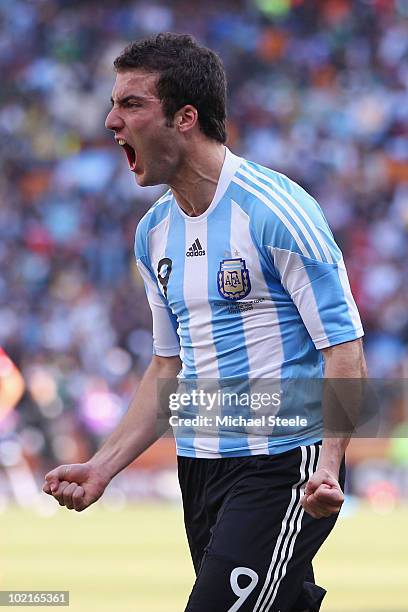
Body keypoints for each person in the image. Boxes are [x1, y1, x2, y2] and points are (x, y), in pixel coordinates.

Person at [43, 33, 367, 612]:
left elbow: (343, 348)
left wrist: (329, 463)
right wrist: (103, 467)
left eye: (132, 104)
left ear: (185, 117)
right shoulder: (154, 233)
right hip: (200, 465)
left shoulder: (276, 212)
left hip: (281, 466)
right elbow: (169, 366)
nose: (111, 119)